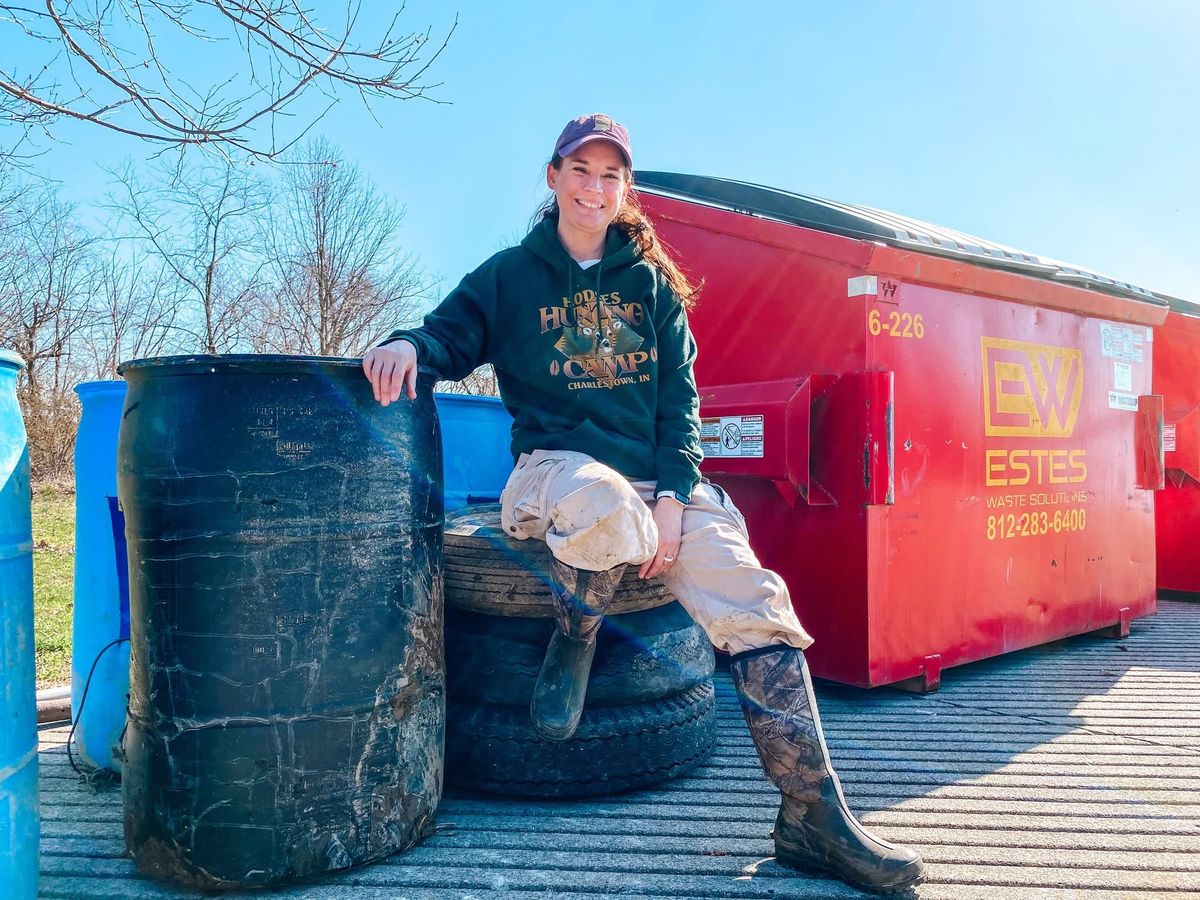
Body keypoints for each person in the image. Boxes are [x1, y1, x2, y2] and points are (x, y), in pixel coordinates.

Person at [362, 113, 926, 895]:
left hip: (657, 483)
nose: (595, 187)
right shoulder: (509, 276)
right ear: (554, 177)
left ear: (626, 190)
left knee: (757, 598)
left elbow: (681, 406)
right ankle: (577, 634)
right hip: (553, 471)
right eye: (581, 170)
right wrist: (404, 347)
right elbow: (445, 338)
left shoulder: (652, 287)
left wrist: (674, 496)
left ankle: (811, 817)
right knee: (601, 504)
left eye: (611, 175)